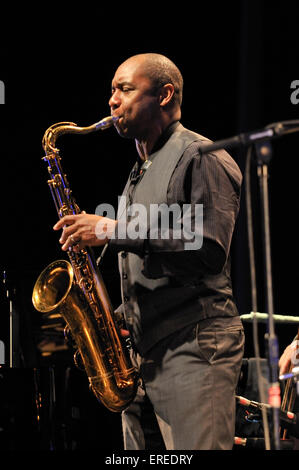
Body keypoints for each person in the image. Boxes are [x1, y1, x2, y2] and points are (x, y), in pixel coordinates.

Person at [53, 53, 245, 450]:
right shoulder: (137, 173)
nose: (112, 100)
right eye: (111, 91)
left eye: (124, 89)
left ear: (164, 94)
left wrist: (111, 228)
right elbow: (155, 259)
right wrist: (114, 318)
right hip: (145, 357)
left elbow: (207, 248)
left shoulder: (202, 155)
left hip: (195, 349)